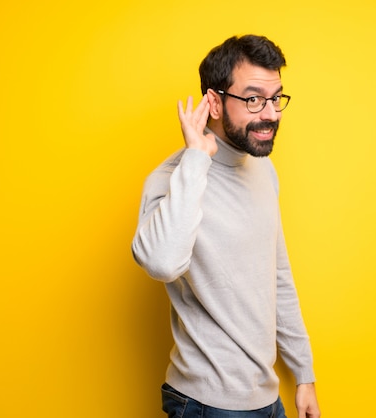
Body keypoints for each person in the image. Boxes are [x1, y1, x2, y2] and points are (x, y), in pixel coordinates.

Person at [132, 34, 321, 418]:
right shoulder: (173, 179)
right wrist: (196, 161)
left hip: (267, 400)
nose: (270, 113)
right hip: (207, 405)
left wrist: (304, 374)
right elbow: (161, 263)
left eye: (275, 98)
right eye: (253, 99)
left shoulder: (262, 168)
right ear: (214, 102)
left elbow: (278, 275)